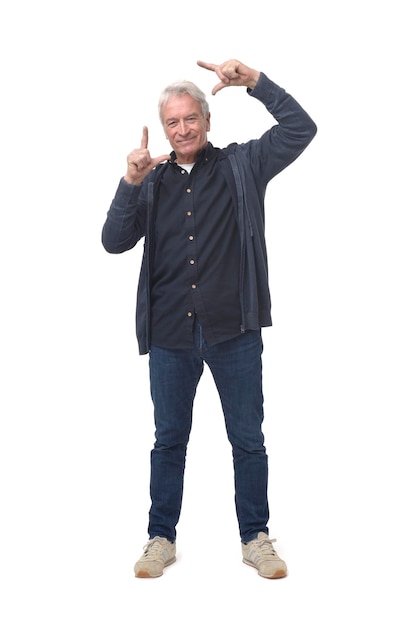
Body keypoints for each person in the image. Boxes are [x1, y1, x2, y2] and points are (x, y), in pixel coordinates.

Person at [102, 59, 317, 579]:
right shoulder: (151, 183)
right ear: (165, 127)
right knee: (168, 439)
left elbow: (301, 128)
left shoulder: (245, 165)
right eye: (172, 122)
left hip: (233, 331)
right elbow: (113, 243)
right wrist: (130, 182)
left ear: (206, 119)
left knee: (248, 438)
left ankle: (255, 538)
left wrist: (257, 85)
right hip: (171, 333)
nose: (181, 129)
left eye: (189, 118)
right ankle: (160, 537)